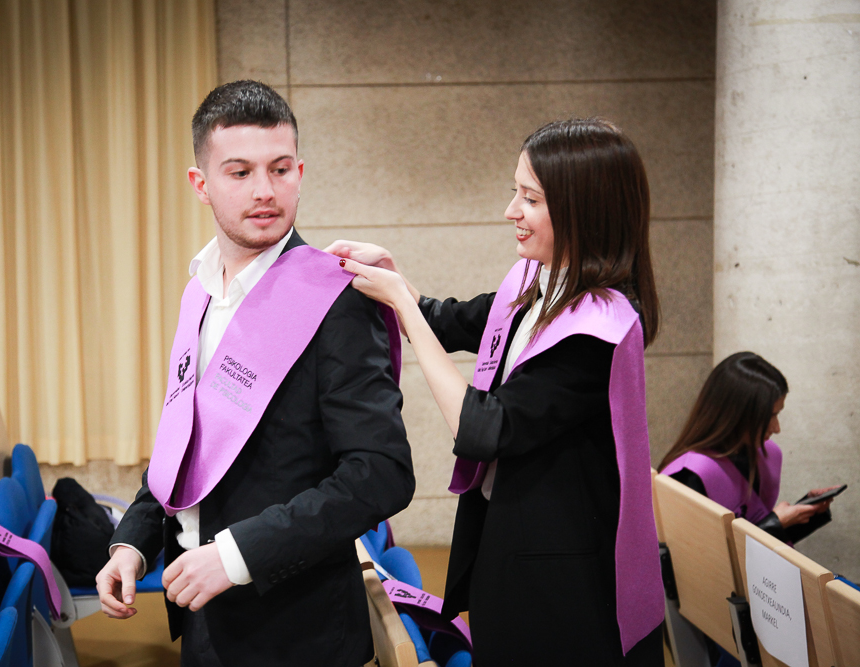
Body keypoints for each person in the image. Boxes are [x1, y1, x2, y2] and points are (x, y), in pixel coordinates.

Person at [95, 80, 415, 667]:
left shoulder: (336, 299)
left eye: (280, 169)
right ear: (201, 184)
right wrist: (133, 541)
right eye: (240, 172)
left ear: (300, 172)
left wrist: (237, 554)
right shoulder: (200, 291)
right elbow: (187, 442)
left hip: (296, 629)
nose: (264, 191)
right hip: (201, 614)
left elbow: (382, 475)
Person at [329, 118, 665, 665]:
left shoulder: (596, 329)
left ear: (581, 210)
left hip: (561, 580)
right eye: (516, 191)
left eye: (530, 198)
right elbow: (449, 320)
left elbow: (483, 427)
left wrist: (403, 306)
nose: (511, 210)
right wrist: (395, 280)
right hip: (509, 542)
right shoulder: (538, 283)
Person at [659, 351, 836, 544]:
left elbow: (759, 535)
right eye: (769, 417)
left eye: (777, 415)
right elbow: (699, 556)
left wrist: (803, 513)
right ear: (737, 414)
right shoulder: (688, 476)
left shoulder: (762, 454)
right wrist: (775, 524)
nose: (776, 428)